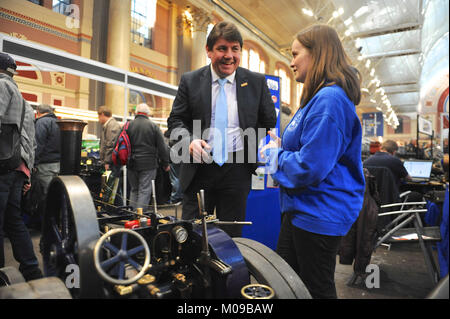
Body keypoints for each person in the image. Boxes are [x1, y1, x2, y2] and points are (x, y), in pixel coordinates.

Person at [260, 25, 365, 299]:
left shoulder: (329, 100)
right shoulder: (318, 98)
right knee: (286, 282)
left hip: (317, 213)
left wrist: (274, 154)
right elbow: (313, 151)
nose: (291, 62)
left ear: (317, 54)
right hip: (302, 209)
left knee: (313, 288)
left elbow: (310, 166)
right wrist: (284, 147)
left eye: (296, 54)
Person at [167, 21, 276, 237]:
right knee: (193, 236)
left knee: (232, 237)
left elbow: (268, 120)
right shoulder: (191, 81)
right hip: (199, 170)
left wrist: (247, 144)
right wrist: (189, 141)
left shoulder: (255, 82)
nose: (229, 55)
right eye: (222, 48)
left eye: (235, 49)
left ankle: (226, 272)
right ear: (208, 51)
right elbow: (176, 120)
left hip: (236, 172)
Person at [0, 52, 43, 281]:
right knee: (14, 220)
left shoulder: (0, 87)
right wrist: (27, 175)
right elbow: (31, 143)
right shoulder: (25, 101)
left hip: (2, 166)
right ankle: (31, 269)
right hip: (18, 167)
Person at [127, 103, 169, 211]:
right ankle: (139, 217)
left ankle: (131, 215)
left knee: (134, 190)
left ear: (136, 113)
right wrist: (165, 163)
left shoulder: (128, 125)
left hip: (131, 163)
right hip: (148, 164)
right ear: (148, 113)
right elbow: (162, 147)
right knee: (144, 190)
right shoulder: (153, 126)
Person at [33, 104, 61, 215]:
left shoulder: (41, 123)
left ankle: (46, 226)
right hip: (58, 164)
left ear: (38, 112)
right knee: (55, 194)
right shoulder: (59, 123)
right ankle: (55, 224)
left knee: (45, 196)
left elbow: (38, 145)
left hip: (45, 166)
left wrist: (33, 163)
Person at [97, 106, 122, 204]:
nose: (98, 119)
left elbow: (110, 145)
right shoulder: (110, 125)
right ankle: (116, 208)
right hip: (112, 162)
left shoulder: (112, 126)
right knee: (113, 187)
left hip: (112, 162)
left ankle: (115, 209)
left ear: (103, 114)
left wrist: (107, 161)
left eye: (99, 116)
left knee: (111, 187)